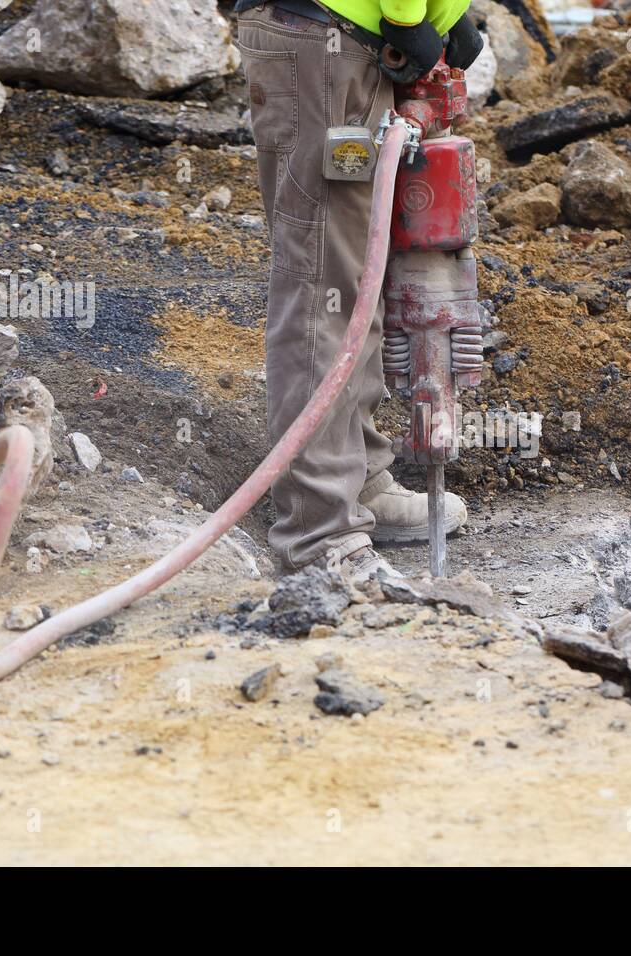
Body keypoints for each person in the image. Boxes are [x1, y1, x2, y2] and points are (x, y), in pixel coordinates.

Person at [233, 0, 484, 579]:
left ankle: (359, 483)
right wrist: (405, 19)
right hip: (323, 37)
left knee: (361, 273)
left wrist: (446, 17)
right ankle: (320, 532)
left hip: (351, 39)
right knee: (324, 284)